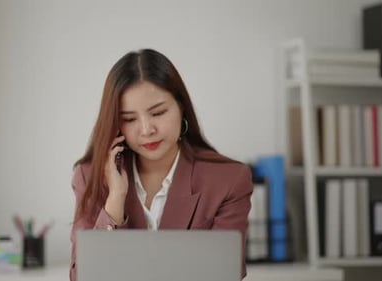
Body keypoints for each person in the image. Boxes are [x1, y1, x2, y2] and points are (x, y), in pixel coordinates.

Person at [70, 49, 253, 281]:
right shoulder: (89, 176)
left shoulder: (228, 181)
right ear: (116, 124)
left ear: (181, 107)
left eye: (158, 113)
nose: (147, 130)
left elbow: (225, 273)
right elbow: (82, 276)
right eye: (129, 119)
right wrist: (114, 201)